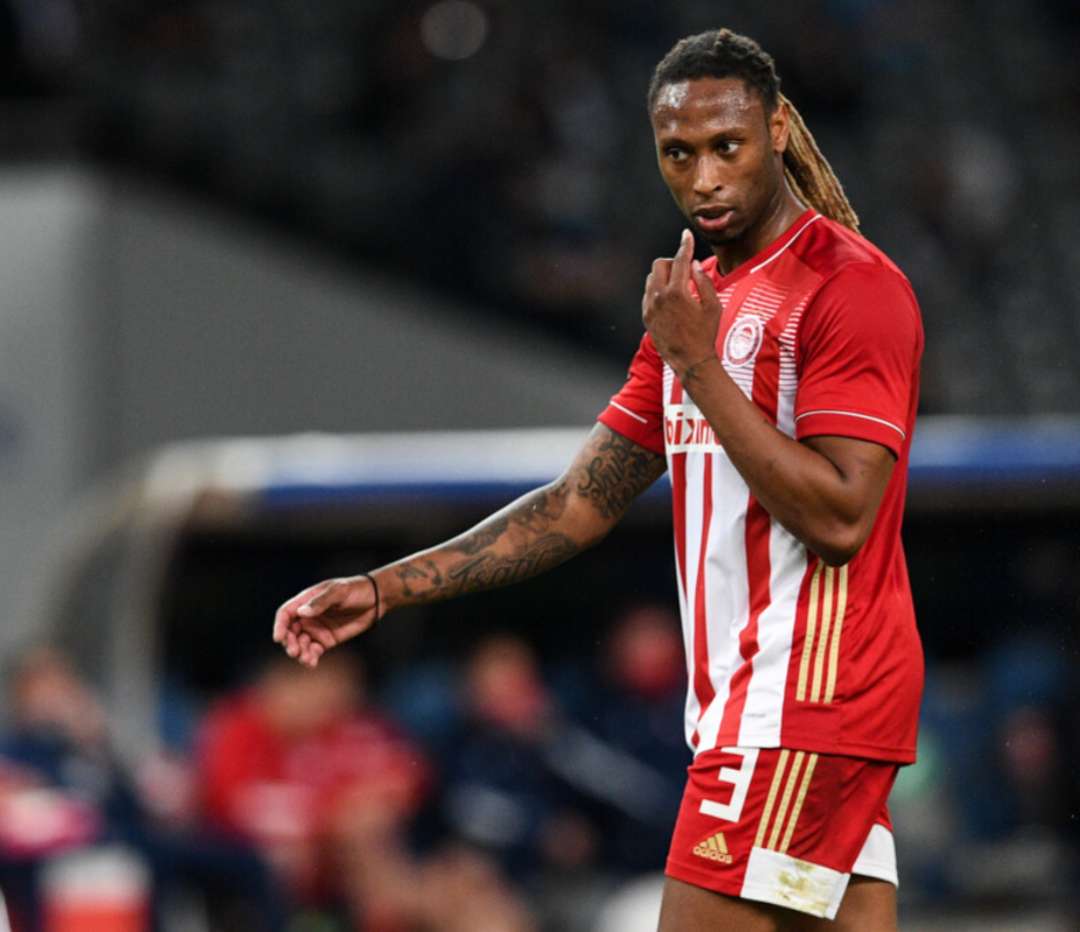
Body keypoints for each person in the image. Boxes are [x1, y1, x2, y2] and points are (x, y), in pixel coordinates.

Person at [274, 27, 923, 932]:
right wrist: (387, 588)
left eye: (727, 146)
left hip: (799, 710)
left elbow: (843, 518)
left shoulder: (848, 287)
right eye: (678, 154)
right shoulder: (696, 303)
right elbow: (578, 504)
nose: (704, 178)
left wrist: (698, 365)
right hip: (785, 721)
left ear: (778, 130)